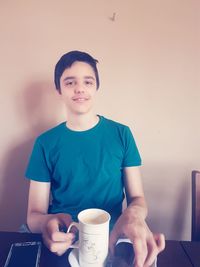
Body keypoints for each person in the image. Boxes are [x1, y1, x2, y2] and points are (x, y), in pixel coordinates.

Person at [25, 50, 165, 267]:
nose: (80, 88)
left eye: (88, 82)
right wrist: (46, 224)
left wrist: (134, 215)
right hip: (64, 238)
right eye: (70, 82)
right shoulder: (45, 143)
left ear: (96, 87)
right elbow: (34, 216)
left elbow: (137, 198)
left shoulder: (122, 134)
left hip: (111, 239)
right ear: (59, 90)